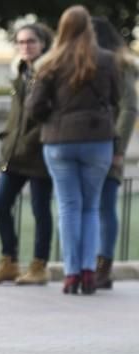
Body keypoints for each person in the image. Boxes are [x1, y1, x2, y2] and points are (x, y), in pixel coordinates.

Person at [27, 5, 120, 295]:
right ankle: (89, 271)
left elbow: (34, 107)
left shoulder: (50, 62)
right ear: (89, 29)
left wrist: (53, 119)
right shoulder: (106, 60)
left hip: (59, 141)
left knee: (68, 206)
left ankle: (70, 273)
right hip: (98, 141)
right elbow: (115, 99)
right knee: (91, 207)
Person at [0, 23, 55, 285]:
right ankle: (9, 261)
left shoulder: (50, 72)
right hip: (14, 153)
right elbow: (16, 115)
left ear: (43, 44)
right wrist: (7, 139)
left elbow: (49, 115)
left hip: (39, 154)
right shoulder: (21, 71)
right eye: (21, 42)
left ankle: (39, 265)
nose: (25, 47)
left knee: (40, 210)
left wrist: (28, 140)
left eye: (31, 42)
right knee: (0, 205)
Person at [92, 16, 137, 289]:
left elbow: (130, 109)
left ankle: (103, 265)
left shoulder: (121, 65)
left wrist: (117, 148)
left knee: (105, 206)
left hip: (108, 147)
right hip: (91, 143)